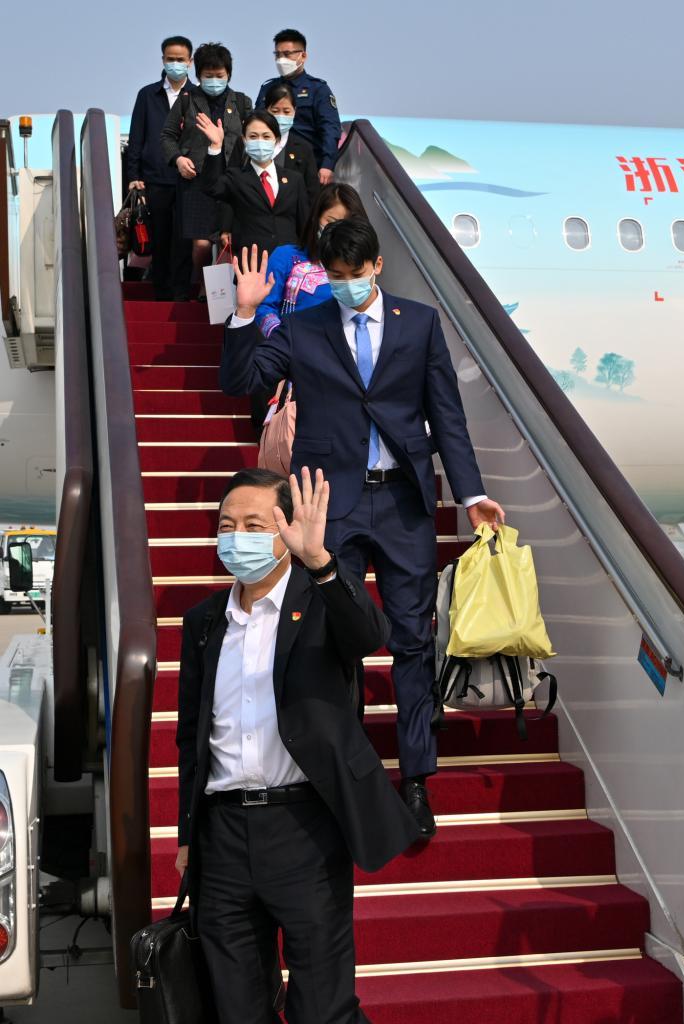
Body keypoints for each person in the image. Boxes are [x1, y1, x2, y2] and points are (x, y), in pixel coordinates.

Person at [219, 224, 505, 839]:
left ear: (377, 264)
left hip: (403, 503)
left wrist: (471, 494)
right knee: (335, 642)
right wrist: (243, 314)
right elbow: (243, 381)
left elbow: (446, 416)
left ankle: (416, 780)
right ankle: (348, 778)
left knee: (412, 639)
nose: (346, 286)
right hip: (330, 505)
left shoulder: (419, 324)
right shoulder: (304, 327)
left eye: (355, 274)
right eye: (336, 277)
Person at [175, 466, 418, 1024]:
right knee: (237, 1007)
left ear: (286, 529)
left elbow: (370, 635)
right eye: (227, 525)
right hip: (223, 835)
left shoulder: (321, 600)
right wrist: (189, 834)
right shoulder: (204, 622)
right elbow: (192, 736)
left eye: (254, 525)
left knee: (323, 1008)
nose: (237, 537)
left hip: (304, 826)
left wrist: (320, 561)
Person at [161, 42, 253, 296]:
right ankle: (203, 283)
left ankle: (220, 292)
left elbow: (254, 134)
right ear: (199, 75)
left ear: (228, 74)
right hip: (196, 183)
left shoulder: (242, 102)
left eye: (219, 75)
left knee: (228, 240)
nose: (214, 81)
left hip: (232, 182)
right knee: (201, 245)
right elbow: (167, 136)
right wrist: (178, 159)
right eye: (208, 75)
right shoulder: (187, 100)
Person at [126, 35, 194, 301]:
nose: (175, 64)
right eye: (170, 59)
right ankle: (162, 291)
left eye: (180, 59)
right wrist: (133, 175)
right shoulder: (147, 95)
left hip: (189, 179)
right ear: (163, 60)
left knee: (184, 239)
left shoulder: (197, 96)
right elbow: (136, 137)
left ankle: (181, 291)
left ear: (190, 61)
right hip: (156, 178)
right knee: (161, 237)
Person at [255, 182, 367, 337]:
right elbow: (264, 307)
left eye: (346, 225)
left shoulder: (363, 268)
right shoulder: (285, 256)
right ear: (316, 218)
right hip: (293, 347)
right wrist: (283, 341)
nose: (338, 231)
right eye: (331, 222)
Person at [197, 110, 309, 260]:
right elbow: (211, 187)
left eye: (266, 136)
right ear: (244, 140)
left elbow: (305, 224)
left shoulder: (294, 179)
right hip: (251, 263)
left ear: (276, 140)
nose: (260, 141)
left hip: (290, 262)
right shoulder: (236, 177)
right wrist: (216, 146)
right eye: (253, 136)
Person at [255, 29, 341, 186]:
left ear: (303, 56)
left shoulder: (318, 89)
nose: (281, 60)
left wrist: (327, 165)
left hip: (306, 165)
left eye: (287, 54)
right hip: (269, 163)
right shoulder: (267, 88)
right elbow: (256, 124)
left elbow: (330, 128)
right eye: (277, 55)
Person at [264, 81, 319, 203]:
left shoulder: (304, 149)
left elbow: (312, 194)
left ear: (295, 111)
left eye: (286, 111)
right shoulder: (248, 143)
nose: (281, 116)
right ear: (266, 110)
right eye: (275, 111)